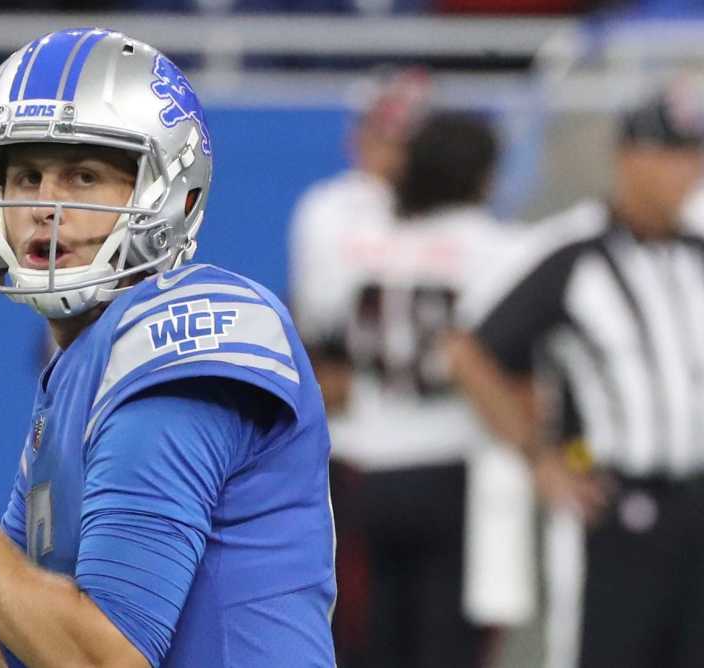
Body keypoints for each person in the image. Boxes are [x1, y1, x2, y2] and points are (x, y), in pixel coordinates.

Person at [0, 29, 337, 667]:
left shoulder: (193, 323)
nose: (44, 205)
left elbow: (106, 659)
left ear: (177, 197)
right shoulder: (72, 373)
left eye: (84, 176)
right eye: (27, 175)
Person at [450, 89, 704, 668]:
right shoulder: (575, 258)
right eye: (672, 155)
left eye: (694, 156)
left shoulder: (696, 256)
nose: (688, 173)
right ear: (629, 159)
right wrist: (540, 456)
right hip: (614, 510)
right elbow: (469, 353)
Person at [295, 110, 523, 667]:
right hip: (453, 468)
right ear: (483, 176)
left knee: (363, 645)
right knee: (451, 648)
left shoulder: (345, 236)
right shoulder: (498, 248)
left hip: (358, 468)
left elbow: (315, 341)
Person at [287, 67, 430, 414]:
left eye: (400, 140)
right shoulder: (329, 205)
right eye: (380, 134)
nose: (389, 151)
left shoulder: (440, 208)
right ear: (358, 135)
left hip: (426, 380)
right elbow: (315, 313)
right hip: (349, 372)